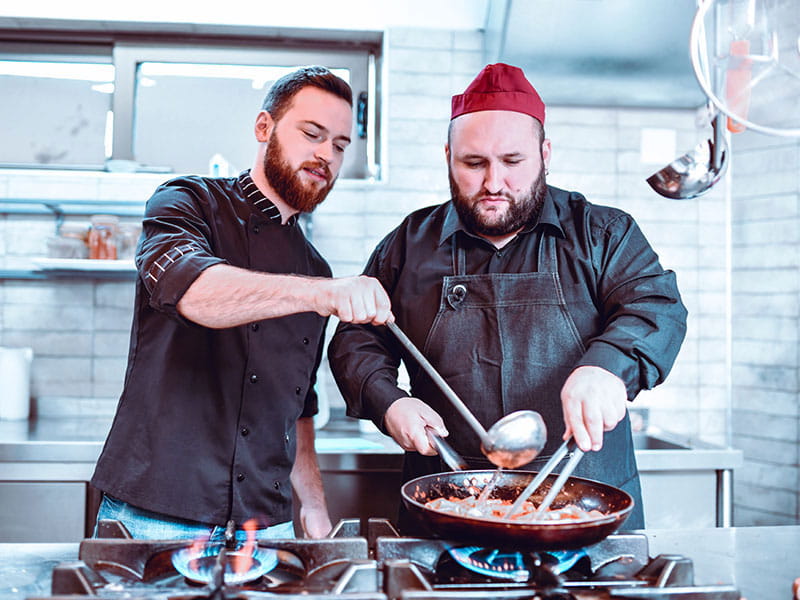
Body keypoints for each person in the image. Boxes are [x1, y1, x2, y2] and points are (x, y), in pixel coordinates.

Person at [327, 63, 687, 531]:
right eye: (473, 163)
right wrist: (387, 401)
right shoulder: (410, 243)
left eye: (512, 162)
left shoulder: (603, 233)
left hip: (583, 505)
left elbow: (656, 307)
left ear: (545, 153)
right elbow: (358, 339)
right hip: (448, 503)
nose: (494, 183)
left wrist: (607, 366)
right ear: (448, 157)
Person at [91, 66, 392, 542]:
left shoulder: (315, 268)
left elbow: (297, 407)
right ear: (264, 127)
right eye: (311, 134)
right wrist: (322, 294)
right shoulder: (187, 202)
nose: (325, 155)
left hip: (263, 528)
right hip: (156, 517)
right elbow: (192, 293)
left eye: (338, 145)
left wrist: (313, 507)